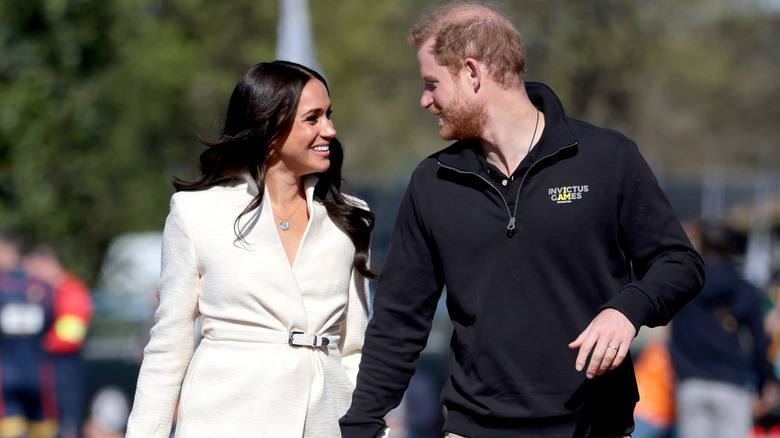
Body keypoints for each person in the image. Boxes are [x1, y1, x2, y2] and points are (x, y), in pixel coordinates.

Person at [339, 3, 705, 437]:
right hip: (473, 429)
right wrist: (360, 424)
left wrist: (627, 309)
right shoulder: (431, 183)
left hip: (595, 426)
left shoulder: (607, 157)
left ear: (472, 73)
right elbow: (400, 320)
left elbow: (679, 262)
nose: (425, 101)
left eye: (431, 84)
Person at [125, 60, 375, 437]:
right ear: (270, 126)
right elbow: (168, 349)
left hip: (326, 423)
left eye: (329, 115)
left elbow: (355, 348)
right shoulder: (197, 213)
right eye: (313, 118)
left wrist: (364, 427)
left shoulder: (351, 218)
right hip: (224, 420)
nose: (330, 130)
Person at [670, 221, 779, 438]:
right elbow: (759, 342)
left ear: (701, 245)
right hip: (732, 383)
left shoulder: (683, 286)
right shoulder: (745, 290)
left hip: (690, 381)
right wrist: (765, 382)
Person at [22, 244, 94, 438]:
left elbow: (70, 337)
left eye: (34, 269)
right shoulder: (38, 293)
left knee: (67, 427)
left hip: (63, 370)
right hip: (39, 370)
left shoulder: (71, 291)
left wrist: (35, 344)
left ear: (48, 263)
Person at [0, 232, 59, 438]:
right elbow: (55, 323)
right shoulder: (44, 287)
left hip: (6, 371)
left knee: (10, 427)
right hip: (39, 371)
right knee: (43, 427)